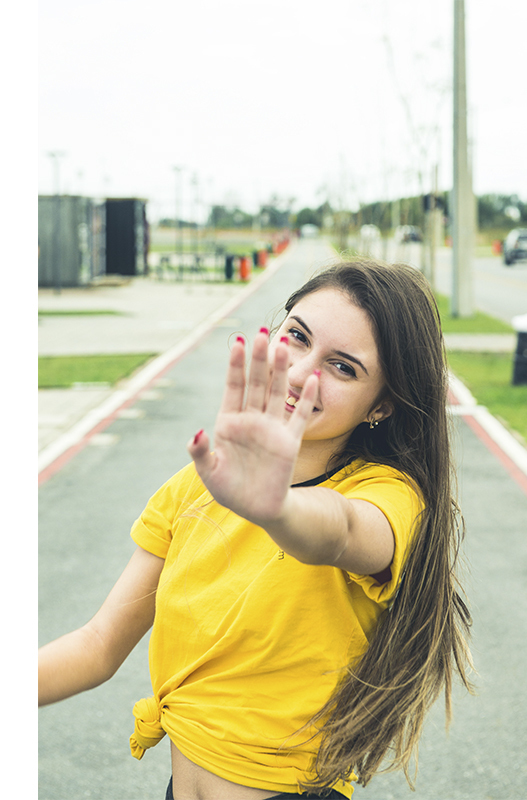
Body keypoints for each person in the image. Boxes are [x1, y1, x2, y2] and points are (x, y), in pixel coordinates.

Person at [39, 259, 473, 799]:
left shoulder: (388, 497)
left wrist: (276, 509)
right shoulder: (200, 485)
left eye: (342, 368)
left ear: (380, 406)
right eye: (297, 337)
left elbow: (338, 531)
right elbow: (98, 644)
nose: (299, 373)